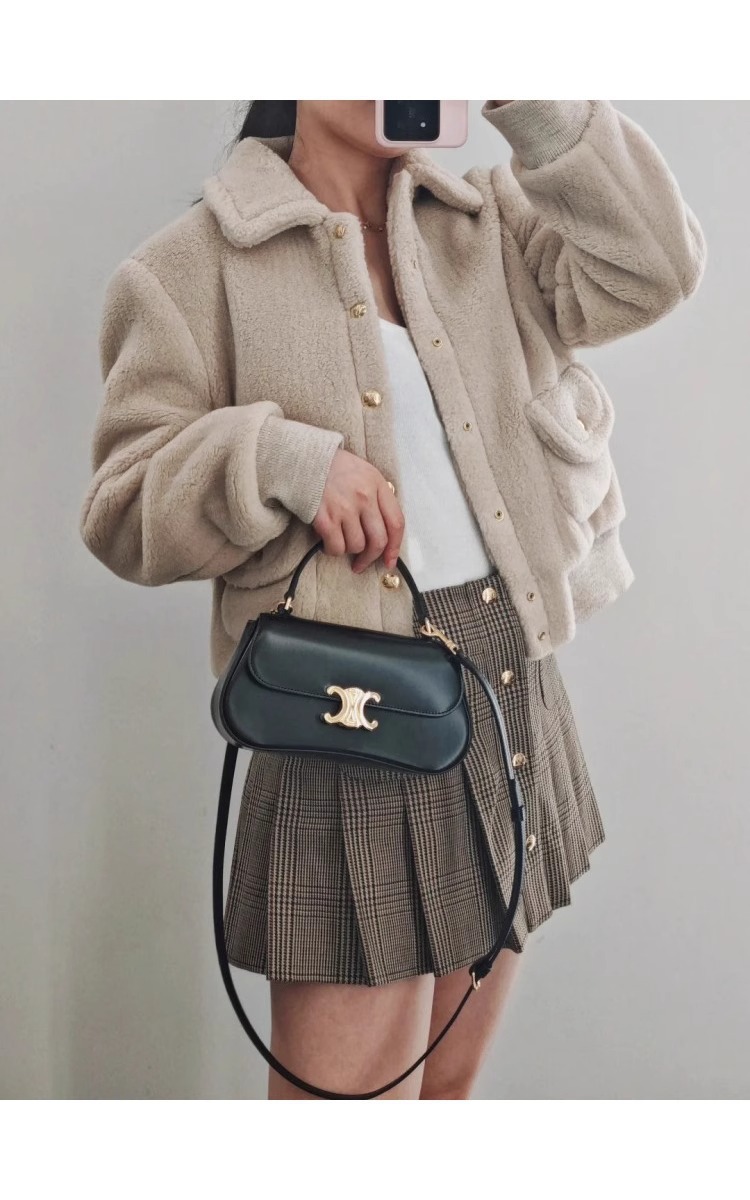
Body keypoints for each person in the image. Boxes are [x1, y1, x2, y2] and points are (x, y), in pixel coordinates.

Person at [79, 100, 706, 1100]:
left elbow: (655, 268)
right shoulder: (192, 267)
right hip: (349, 721)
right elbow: (122, 508)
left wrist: (529, 95)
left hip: (506, 686)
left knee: (443, 1098)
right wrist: (282, 461)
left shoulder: (490, 225)